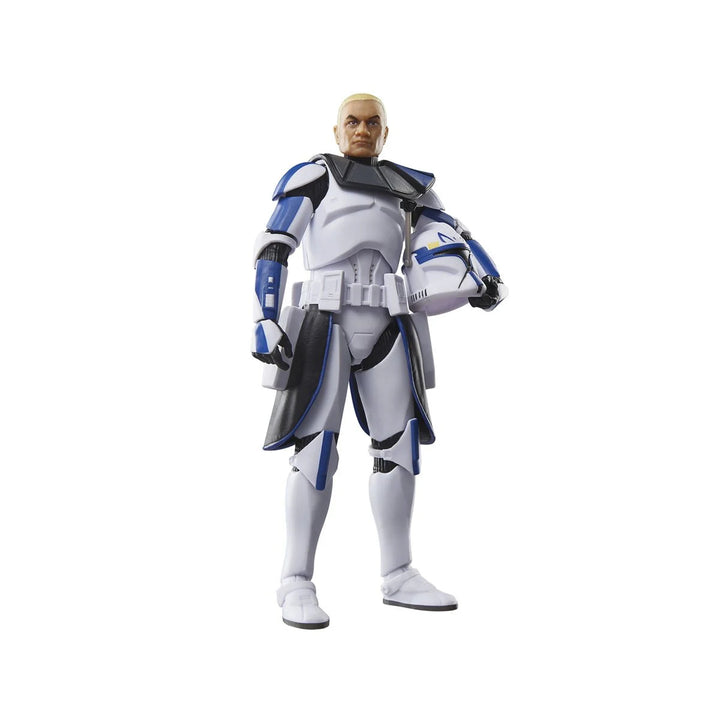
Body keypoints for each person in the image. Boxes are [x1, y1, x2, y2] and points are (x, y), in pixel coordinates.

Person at [252, 94, 507, 629]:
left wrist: (484, 279)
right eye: (352, 121)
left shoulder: (407, 185)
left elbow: (452, 234)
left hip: (389, 321)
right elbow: (274, 245)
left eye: (373, 123)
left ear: (385, 133)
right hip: (327, 319)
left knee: (399, 448)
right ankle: (295, 580)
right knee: (314, 451)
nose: (362, 130)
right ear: (337, 129)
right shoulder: (315, 177)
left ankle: (398, 573)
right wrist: (265, 318)